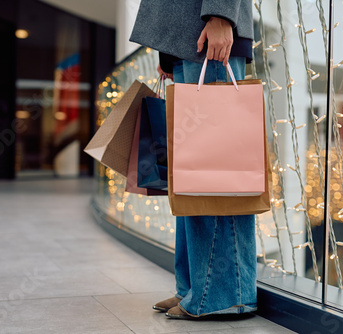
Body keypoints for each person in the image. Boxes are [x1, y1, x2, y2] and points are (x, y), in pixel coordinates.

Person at [130, 0, 256, 320]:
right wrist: (167, 52)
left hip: (207, 30)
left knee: (214, 170)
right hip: (187, 38)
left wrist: (221, 14)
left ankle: (224, 293)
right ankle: (194, 286)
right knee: (192, 173)